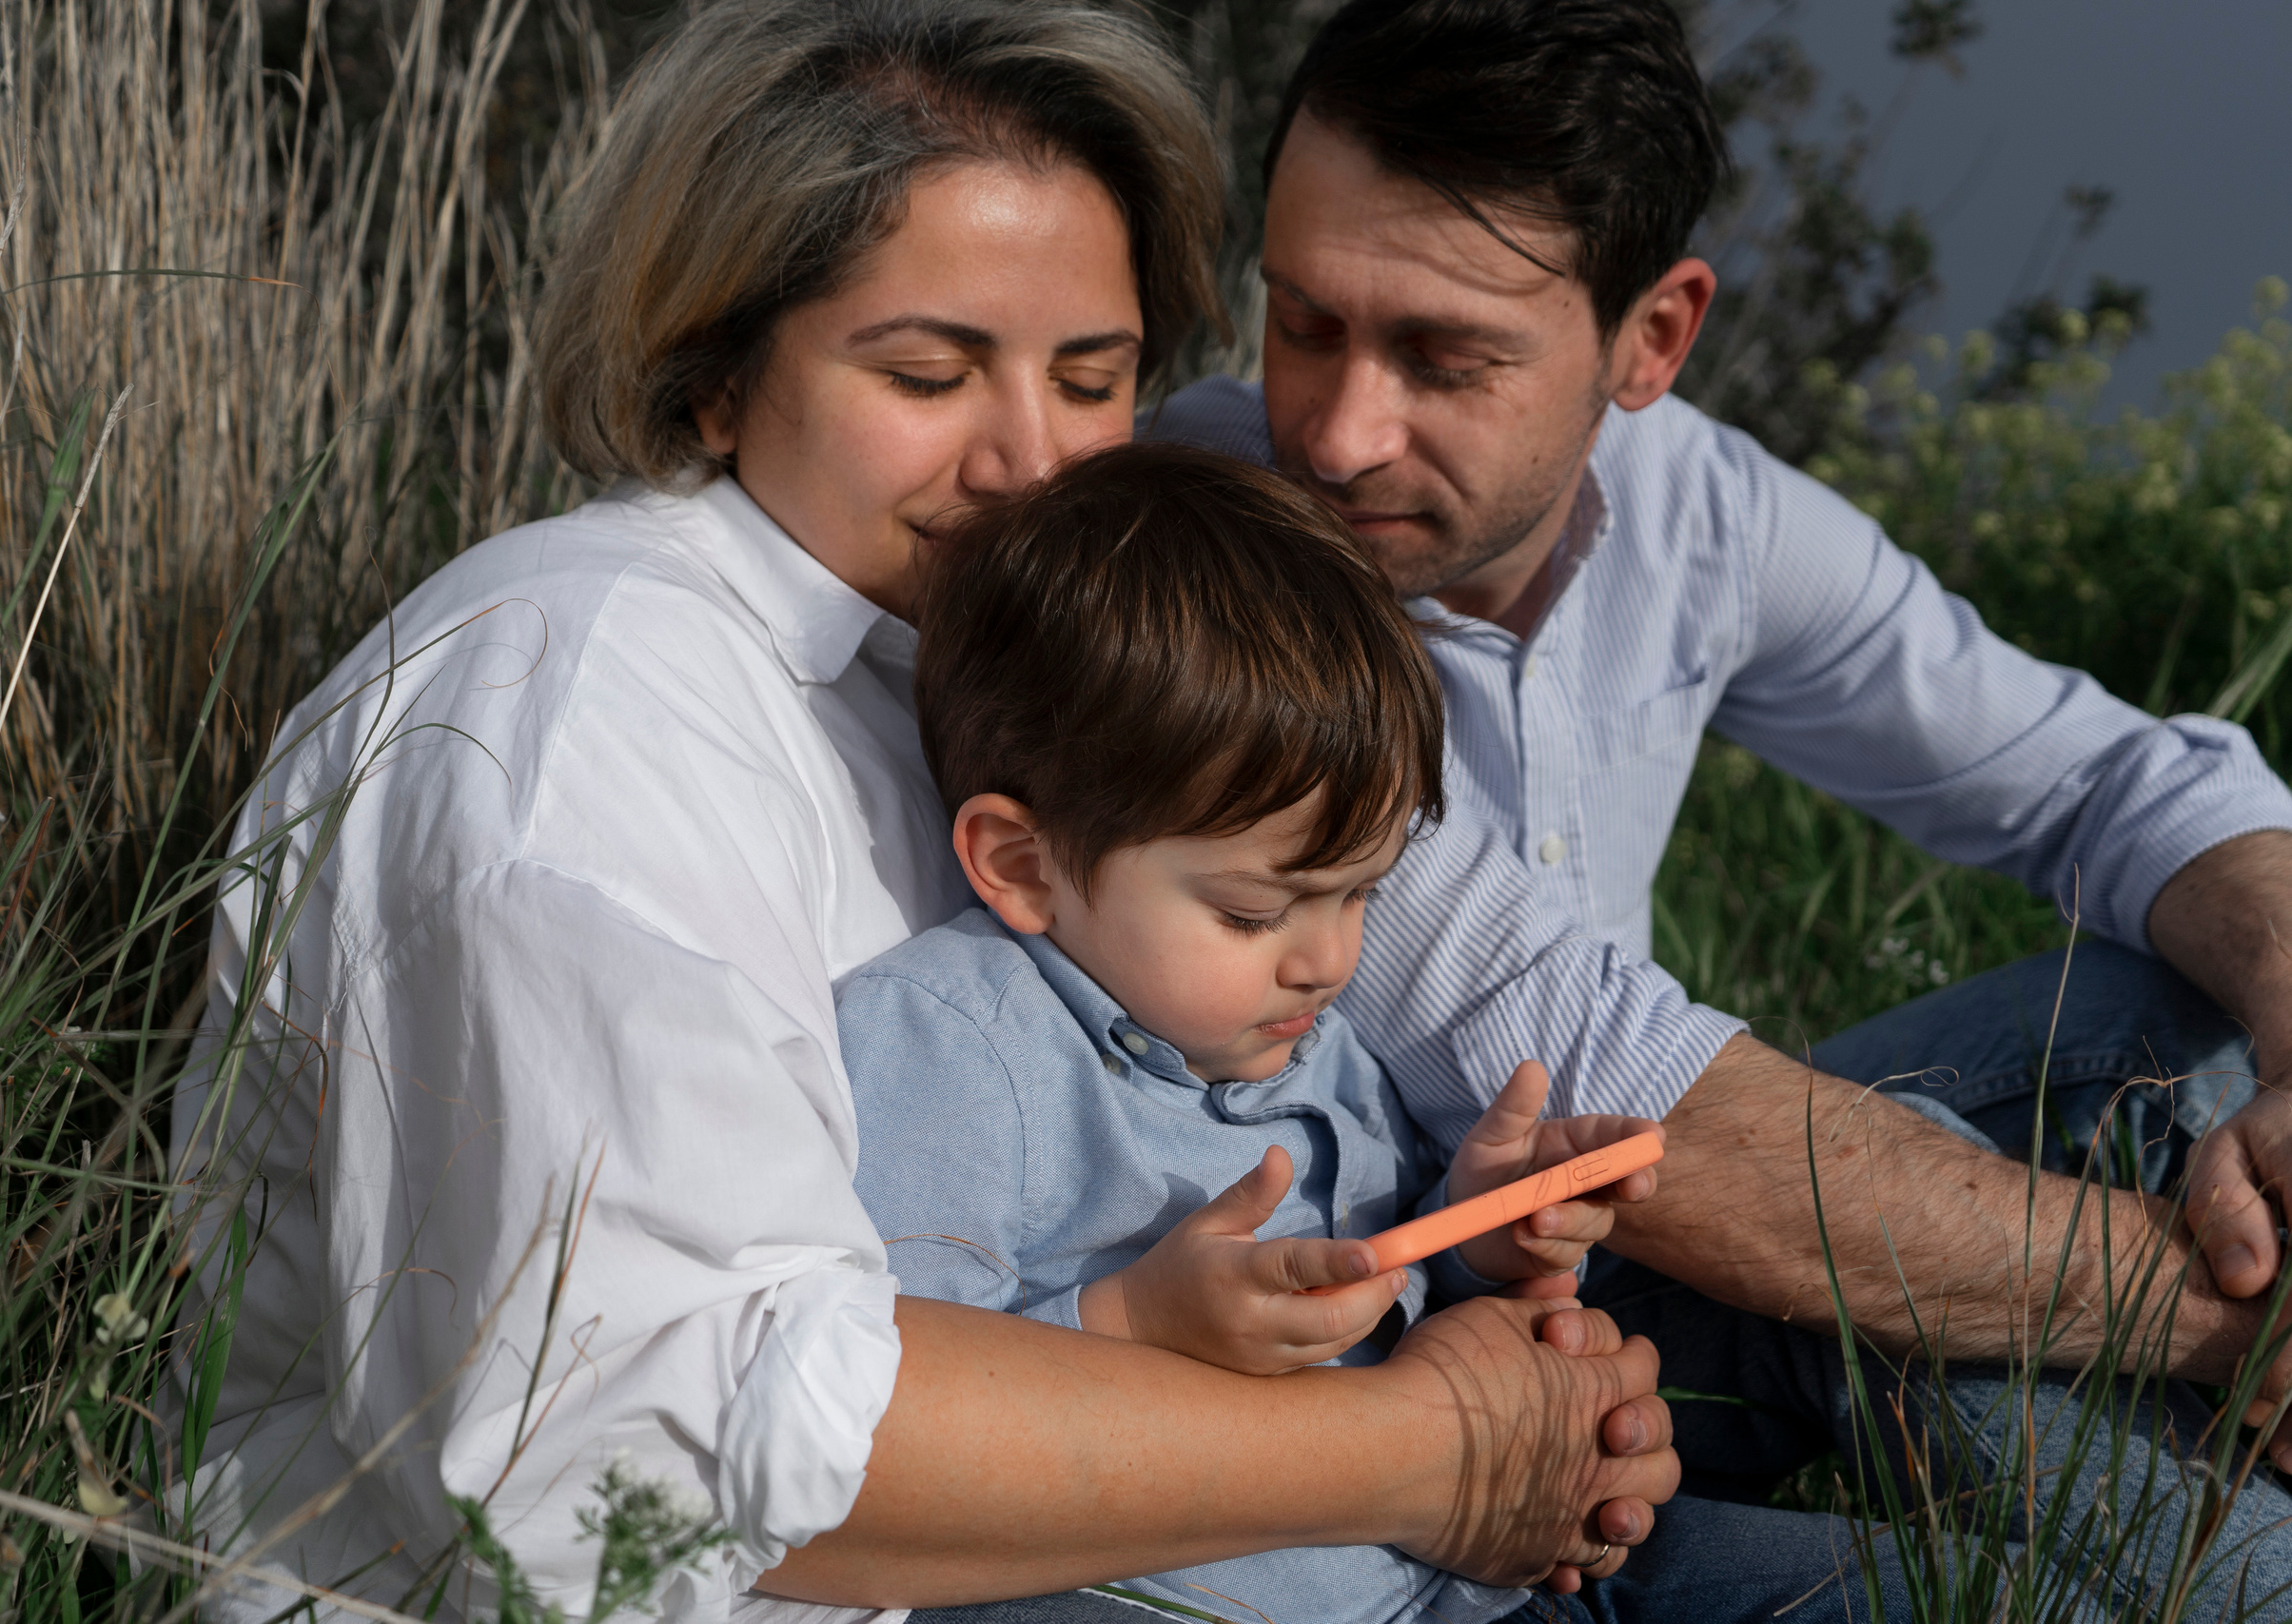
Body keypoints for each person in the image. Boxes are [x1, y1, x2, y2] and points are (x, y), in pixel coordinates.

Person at [166, 7, 1678, 1623]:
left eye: (1093, 378)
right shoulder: (584, 703)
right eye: (929, 371)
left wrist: (1508, 1333)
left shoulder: (991, 681)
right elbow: (648, 1456)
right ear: (712, 377)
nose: (1032, 458)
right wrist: (1419, 1451)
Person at [1143, 0, 2292, 1611]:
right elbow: (1663, 1122)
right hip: (1369, 1383)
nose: (1336, 430)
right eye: (1305, 321)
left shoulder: (1698, 512)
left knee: (2188, 1012)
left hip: (1616, 1298)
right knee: (1925, 1270)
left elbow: (2117, 783)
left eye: (1445, 357)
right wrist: (2228, 1316)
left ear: (1651, 341)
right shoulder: (1181, 577)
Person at [843, 442, 1672, 1624]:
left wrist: (1476, 1242)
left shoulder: (1295, 1034)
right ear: (1022, 865)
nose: (1325, 956)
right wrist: (1135, 1320)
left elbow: (1373, 1312)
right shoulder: (957, 1047)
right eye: (1251, 910)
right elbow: (871, 1398)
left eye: (1362, 892)